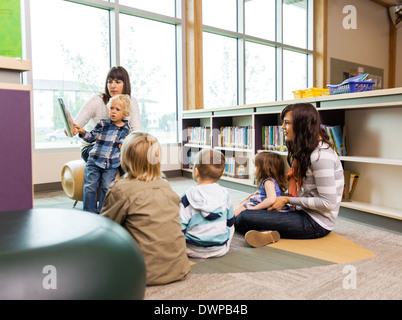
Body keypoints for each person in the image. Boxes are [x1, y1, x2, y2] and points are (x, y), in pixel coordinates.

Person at [235, 103, 344, 248]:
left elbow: (328, 203)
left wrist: (287, 199)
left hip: (316, 222)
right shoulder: (307, 150)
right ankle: (267, 231)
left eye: (287, 123)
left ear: (302, 125)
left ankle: (266, 231)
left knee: (243, 217)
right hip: (300, 211)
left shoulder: (321, 156)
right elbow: (305, 193)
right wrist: (283, 198)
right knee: (254, 206)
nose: (282, 127)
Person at [100, 132, 190, 285]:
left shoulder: (120, 189)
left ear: (125, 157)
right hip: (179, 268)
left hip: (142, 273)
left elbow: (105, 229)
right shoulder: (166, 186)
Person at [73, 94, 131, 214]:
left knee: (106, 187)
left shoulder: (126, 129)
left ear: (125, 114)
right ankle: (89, 213)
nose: (113, 111)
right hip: (94, 161)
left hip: (111, 165)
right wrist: (83, 132)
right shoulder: (102, 124)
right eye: (111, 108)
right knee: (90, 187)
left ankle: (103, 213)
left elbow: (125, 144)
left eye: (117, 109)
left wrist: (124, 145)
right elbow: (91, 138)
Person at [74, 66, 142, 162]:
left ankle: (132, 177)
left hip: (118, 146)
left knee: (134, 155)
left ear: (125, 84)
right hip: (93, 146)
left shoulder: (131, 101)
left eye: (118, 82)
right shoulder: (98, 100)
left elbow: (136, 130)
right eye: (109, 82)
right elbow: (77, 123)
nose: (112, 86)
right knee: (111, 153)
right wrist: (72, 128)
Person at [180, 149, 235, 259]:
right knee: (231, 224)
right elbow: (230, 222)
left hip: (192, 249)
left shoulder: (187, 197)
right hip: (220, 249)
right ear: (221, 174)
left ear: (196, 171)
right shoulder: (225, 195)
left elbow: (180, 226)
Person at [234, 151, 290, 218]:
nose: (253, 169)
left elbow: (271, 199)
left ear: (265, 169)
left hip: (268, 206)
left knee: (243, 207)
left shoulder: (268, 182)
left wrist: (255, 208)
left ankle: (228, 220)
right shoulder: (272, 180)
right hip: (266, 204)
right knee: (244, 203)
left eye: (256, 167)